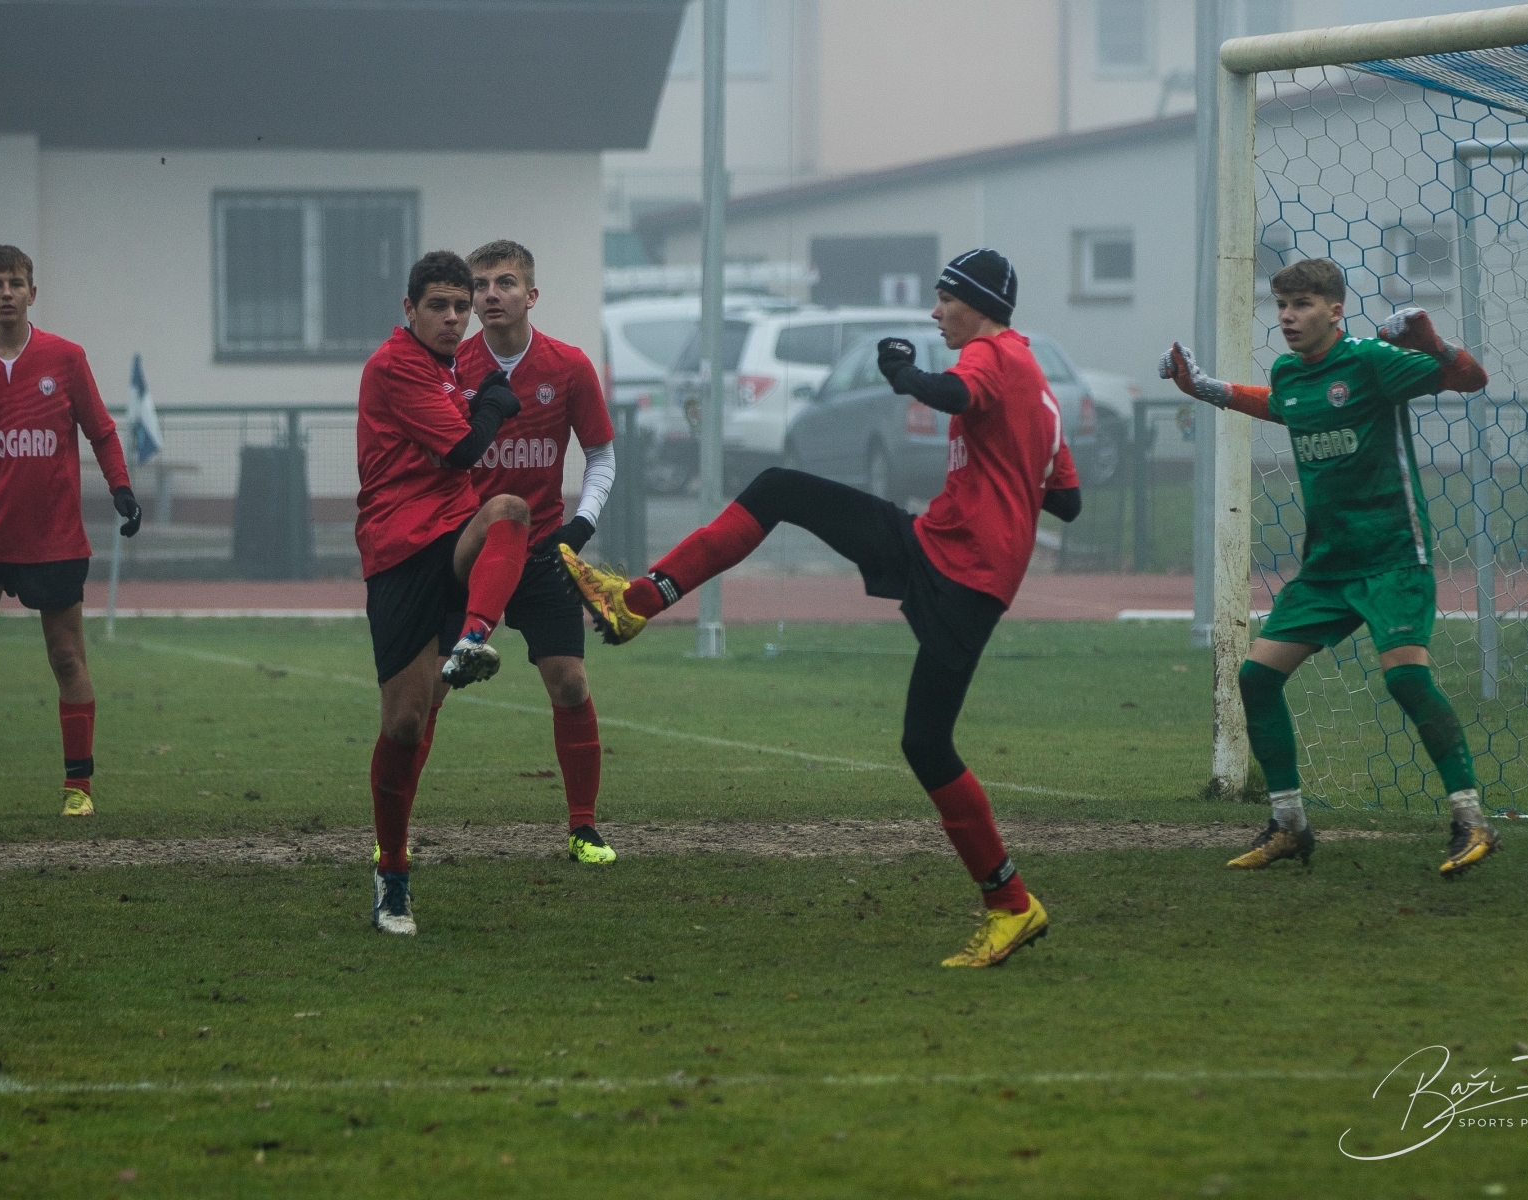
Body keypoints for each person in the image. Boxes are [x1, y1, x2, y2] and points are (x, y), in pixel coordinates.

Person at [561, 249, 1082, 967]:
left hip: (966, 572)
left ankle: (1013, 904)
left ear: (978, 304)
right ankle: (636, 602)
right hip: (940, 550)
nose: (935, 312)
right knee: (780, 488)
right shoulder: (1042, 391)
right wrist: (1007, 477)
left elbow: (955, 394)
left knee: (927, 744)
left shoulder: (994, 356)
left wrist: (903, 374)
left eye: (945, 299)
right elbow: (1068, 500)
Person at [1159, 257, 1499, 878]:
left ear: (1335, 310)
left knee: (1406, 680)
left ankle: (1471, 819)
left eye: (1303, 305)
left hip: (1392, 555)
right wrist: (1207, 389)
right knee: (1257, 679)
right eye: (1282, 305)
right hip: (1326, 566)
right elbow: (1285, 404)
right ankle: (1289, 824)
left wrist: (1431, 342)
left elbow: (1469, 379)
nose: (1288, 317)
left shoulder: (1371, 361)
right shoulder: (1289, 372)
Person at [0, 245, 142, 823]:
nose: (7, 293)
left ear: (32, 294)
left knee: (66, 657)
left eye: (16, 283)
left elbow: (101, 430)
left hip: (53, 538)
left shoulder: (65, 358)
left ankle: (78, 788)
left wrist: (120, 487)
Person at [357, 250, 533, 935]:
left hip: (452, 535)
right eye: (439, 305)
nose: (454, 317)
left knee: (510, 511)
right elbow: (463, 449)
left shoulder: (450, 366)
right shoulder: (395, 365)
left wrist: (485, 392)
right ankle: (391, 871)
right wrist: (491, 404)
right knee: (405, 723)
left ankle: (473, 639)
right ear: (409, 309)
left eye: (462, 306)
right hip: (399, 551)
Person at [454, 240, 620, 866]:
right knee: (425, 696)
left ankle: (583, 828)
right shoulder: (453, 367)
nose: (489, 295)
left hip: (542, 549)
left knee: (570, 682)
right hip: (467, 549)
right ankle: (397, 834)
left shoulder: (568, 366)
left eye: (503, 282)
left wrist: (581, 525)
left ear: (531, 295)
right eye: (479, 285)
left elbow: (600, 455)